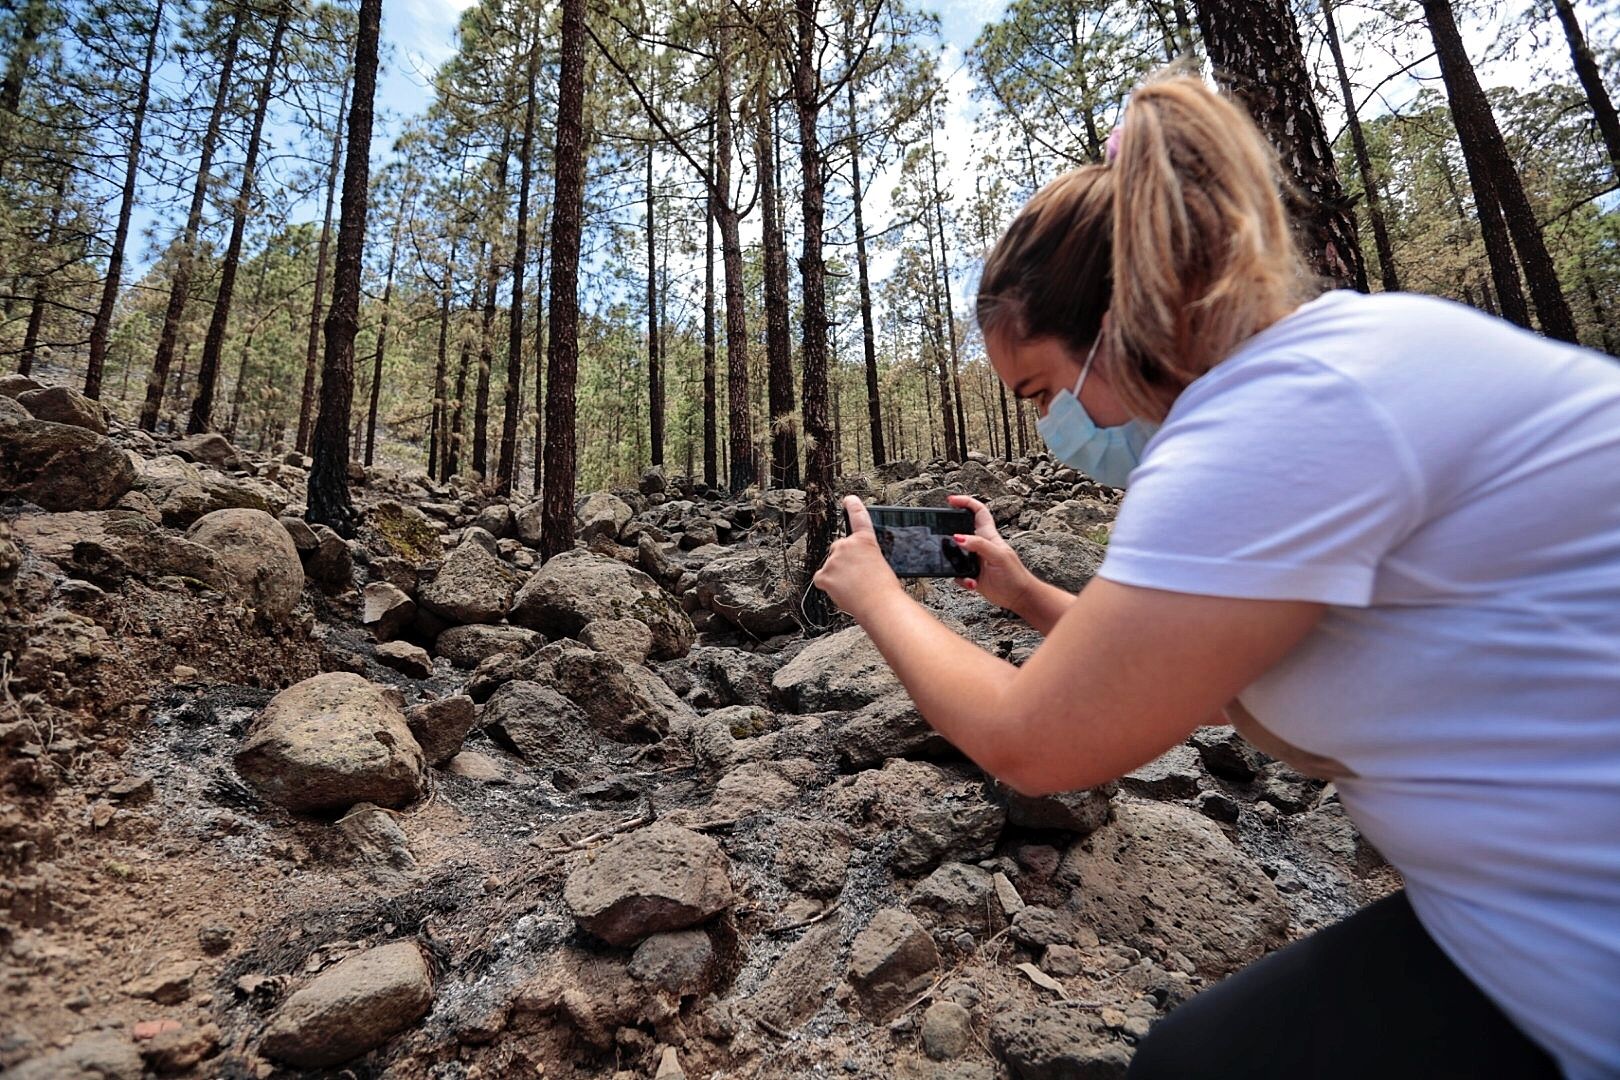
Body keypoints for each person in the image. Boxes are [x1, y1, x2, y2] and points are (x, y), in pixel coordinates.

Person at [813, 72, 1620, 1080]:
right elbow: (1180, 680)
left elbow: (1036, 740)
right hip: (1530, 911)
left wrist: (878, 596)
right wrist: (1020, 594)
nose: (1059, 426)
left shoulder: (1276, 421)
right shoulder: (1322, 367)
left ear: (1123, 322)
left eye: (1047, 390)